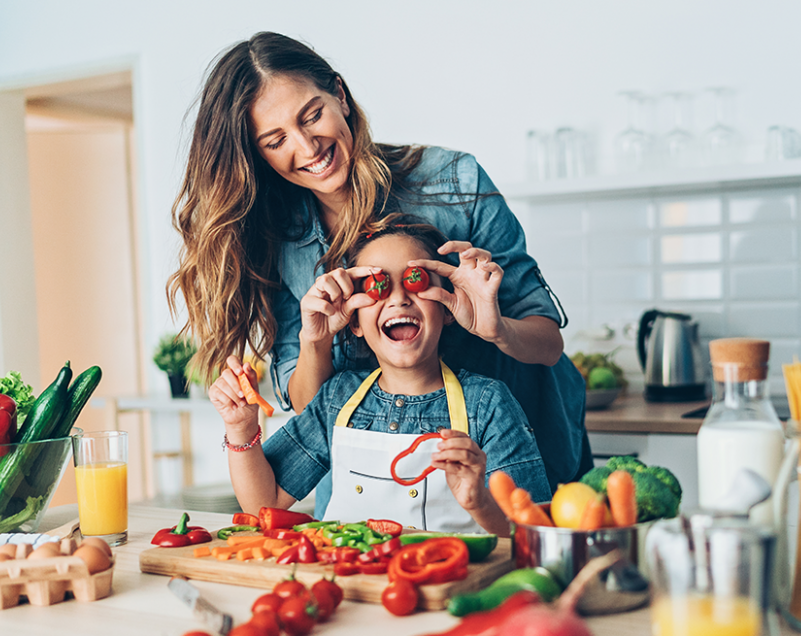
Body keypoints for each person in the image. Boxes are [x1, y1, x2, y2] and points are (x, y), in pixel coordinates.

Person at [167, 31, 591, 512]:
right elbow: (310, 406)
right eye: (275, 139)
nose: (308, 147)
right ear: (256, 153)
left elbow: (547, 341)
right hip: (370, 479)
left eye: (312, 115)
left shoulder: (455, 181)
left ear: (340, 96)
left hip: (507, 454)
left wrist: (497, 330)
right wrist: (315, 340)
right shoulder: (272, 236)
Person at [210, 221, 550, 534]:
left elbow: (532, 534)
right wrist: (240, 428)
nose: (399, 299)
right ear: (354, 321)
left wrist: (479, 502)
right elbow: (263, 504)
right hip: (347, 589)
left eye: (416, 281)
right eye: (378, 287)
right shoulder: (337, 398)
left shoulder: (488, 403)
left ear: (447, 308)